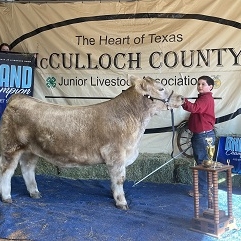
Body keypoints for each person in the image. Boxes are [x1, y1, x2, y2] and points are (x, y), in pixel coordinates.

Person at [182, 75, 216, 197]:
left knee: (202, 163)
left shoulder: (205, 99)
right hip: (203, 135)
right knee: (203, 163)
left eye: (203, 84)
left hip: (203, 136)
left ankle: (202, 191)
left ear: (210, 87)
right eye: (198, 84)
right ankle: (206, 189)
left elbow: (194, 108)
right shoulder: (203, 98)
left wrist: (183, 101)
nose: (200, 86)